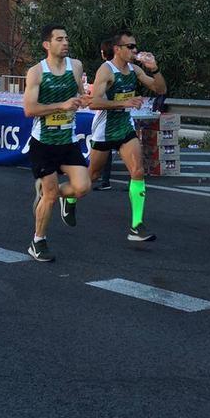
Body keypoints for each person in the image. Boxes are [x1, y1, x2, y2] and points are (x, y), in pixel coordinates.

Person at [88, 30, 167, 242]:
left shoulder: (135, 70)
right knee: (92, 176)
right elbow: (93, 102)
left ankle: (136, 225)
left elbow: (160, 89)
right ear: (117, 49)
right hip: (104, 130)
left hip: (124, 127)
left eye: (135, 46)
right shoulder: (106, 71)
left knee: (138, 172)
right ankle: (68, 197)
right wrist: (124, 102)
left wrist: (155, 69)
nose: (134, 50)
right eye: (130, 47)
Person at [22, 24, 90, 262]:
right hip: (44, 143)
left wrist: (84, 99)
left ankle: (54, 197)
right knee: (50, 194)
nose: (65, 42)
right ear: (46, 45)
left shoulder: (76, 66)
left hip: (68, 140)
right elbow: (29, 110)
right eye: (59, 39)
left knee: (82, 187)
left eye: (66, 38)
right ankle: (38, 241)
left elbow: (80, 94)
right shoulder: (36, 72)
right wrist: (60, 106)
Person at [91, 39, 115, 191]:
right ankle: (136, 179)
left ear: (102, 53)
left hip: (106, 116)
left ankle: (102, 178)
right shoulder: (125, 68)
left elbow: (96, 99)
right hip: (121, 117)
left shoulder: (105, 69)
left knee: (102, 145)